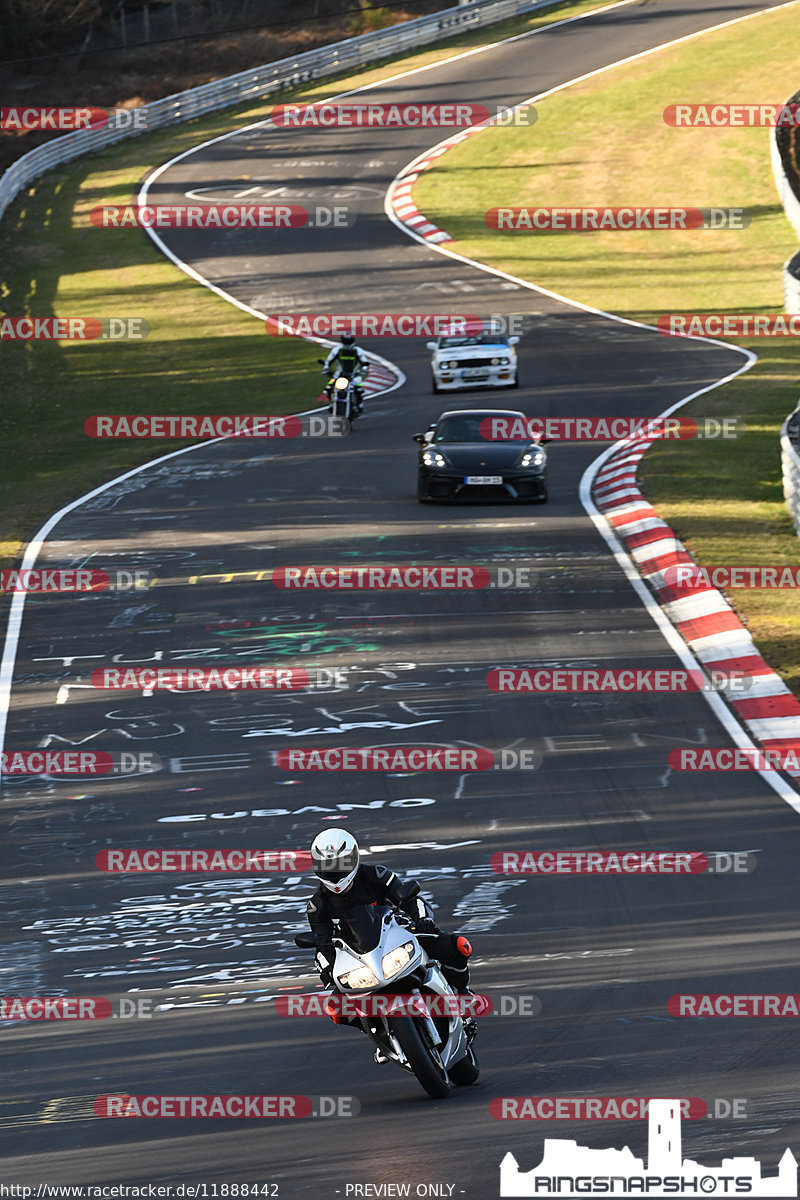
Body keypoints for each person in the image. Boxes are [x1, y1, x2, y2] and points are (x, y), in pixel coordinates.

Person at [305, 829, 475, 1050]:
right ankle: (381, 1033)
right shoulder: (318, 905)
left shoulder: (375, 875)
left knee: (458, 946)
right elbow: (322, 944)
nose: (334, 872)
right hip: (360, 958)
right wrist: (327, 970)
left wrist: (422, 920)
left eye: (339, 864)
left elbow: (410, 898)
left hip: (398, 935)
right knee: (335, 1008)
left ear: (354, 858)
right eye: (327, 866)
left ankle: (461, 993)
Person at [321, 336, 369, 412]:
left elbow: (365, 362)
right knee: (328, 389)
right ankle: (331, 403)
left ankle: (359, 404)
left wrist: (364, 370)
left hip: (354, 375)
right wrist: (326, 369)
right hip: (338, 375)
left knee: (359, 389)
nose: (347, 344)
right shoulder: (336, 350)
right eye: (346, 341)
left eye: (349, 341)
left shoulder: (358, 351)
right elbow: (328, 361)